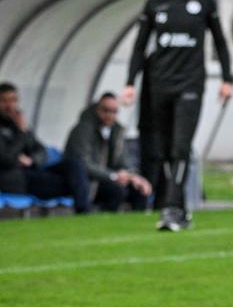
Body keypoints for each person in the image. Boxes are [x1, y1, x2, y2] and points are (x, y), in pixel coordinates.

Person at [122, 0, 233, 232]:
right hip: (159, 85)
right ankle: (180, 210)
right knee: (164, 149)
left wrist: (227, 79)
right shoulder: (154, 4)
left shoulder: (203, 3)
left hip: (190, 84)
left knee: (181, 147)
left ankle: (171, 208)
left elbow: (220, 43)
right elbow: (139, 47)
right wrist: (130, 83)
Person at [0, 82, 90, 213]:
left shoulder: (19, 124)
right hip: (16, 177)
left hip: (33, 169)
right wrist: (21, 133)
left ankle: (84, 209)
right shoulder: (19, 128)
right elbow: (6, 159)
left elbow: (42, 150)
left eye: (13, 100)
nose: (10, 105)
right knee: (70, 183)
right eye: (4, 101)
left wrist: (32, 160)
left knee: (74, 164)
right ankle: (84, 211)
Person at [64, 92, 152, 212]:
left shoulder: (117, 131)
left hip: (110, 178)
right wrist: (113, 176)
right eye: (106, 110)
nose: (109, 115)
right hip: (90, 181)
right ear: (97, 110)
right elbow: (83, 164)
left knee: (139, 190)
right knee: (117, 191)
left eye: (114, 111)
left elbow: (123, 162)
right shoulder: (83, 130)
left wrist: (132, 177)